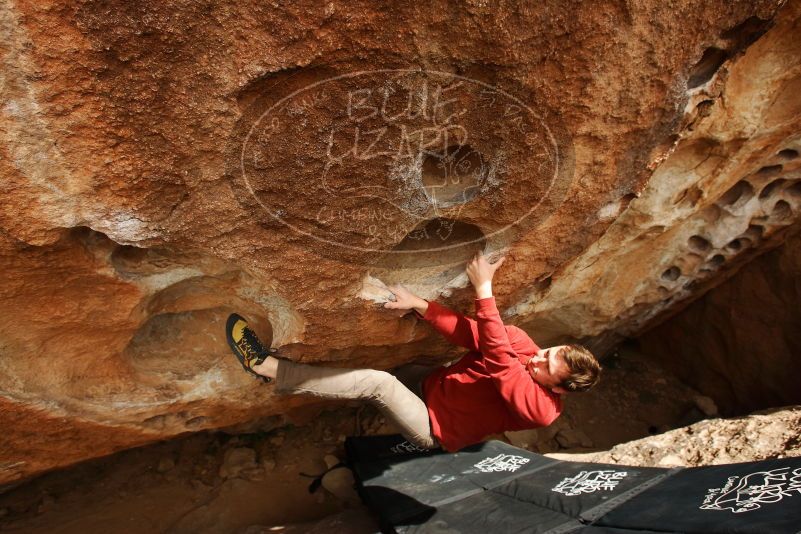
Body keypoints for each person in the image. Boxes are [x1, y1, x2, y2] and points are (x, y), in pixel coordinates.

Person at [226, 251, 601, 452]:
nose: (537, 356)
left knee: (378, 383)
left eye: (546, 366)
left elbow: (502, 364)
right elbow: (472, 333)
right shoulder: (523, 345)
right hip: (429, 384)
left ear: (560, 389)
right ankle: (314, 385)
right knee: (393, 367)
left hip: (433, 427)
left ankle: (267, 368)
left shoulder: (542, 410)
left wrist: (484, 289)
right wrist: (421, 305)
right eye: (548, 351)